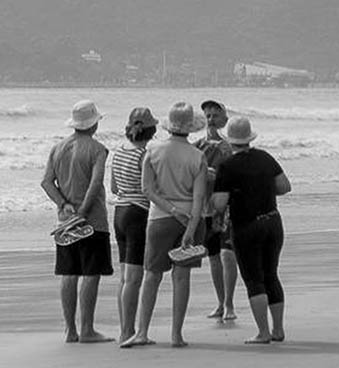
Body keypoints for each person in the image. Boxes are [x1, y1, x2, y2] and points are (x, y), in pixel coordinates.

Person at [121, 102, 207, 349]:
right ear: (190, 127)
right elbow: (200, 197)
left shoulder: (153, 150)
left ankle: (142, 331)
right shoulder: (197, 156)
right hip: (190, 218)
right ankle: (176, 335)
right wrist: (190, 226)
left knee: (152, 275)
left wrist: (171, 210)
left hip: (159, 218)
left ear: (169, 125)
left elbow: (147, 189)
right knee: (182, 278)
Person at [211, 116, 292, 344]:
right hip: (273, 221)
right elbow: (285, 186)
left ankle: (263, 332)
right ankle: (278, 329)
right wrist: (261, 189)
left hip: (246, 225)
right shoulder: (265, 157)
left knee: (254, 279)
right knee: (271, 275)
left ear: (228, 141)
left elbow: (219, 203)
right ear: (249, 138)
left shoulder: (227, 166)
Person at [41, 99, 113, 344]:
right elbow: (96, 183)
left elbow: (47, 182)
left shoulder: (58, 148)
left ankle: (70, 330)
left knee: (69, 273)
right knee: (91, 273)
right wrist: (83, 210)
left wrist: (63, 204)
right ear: (93, 124)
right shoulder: (98, 149)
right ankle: (88, 330)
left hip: (65, 221)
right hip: (92, 220)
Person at [108, 107, 158, 342]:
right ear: (151, 131)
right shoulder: (145, 155)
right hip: (138, 214)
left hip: (119, 212)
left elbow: (114, 188)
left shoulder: (118, 152)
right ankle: (128, 331)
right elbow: (149, 189)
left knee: (125, 276)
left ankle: (124, 328)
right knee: (134, 277)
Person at [196, 99, 239, 322]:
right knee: (213, 257)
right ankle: (220, 303)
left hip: (227, 208)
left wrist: (218, 175)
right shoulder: (197, 146)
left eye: (215, 115)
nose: (211, 119)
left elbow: (238, 177)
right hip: (206, 209)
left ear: (225, 119)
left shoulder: (229, 147)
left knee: (227, 255)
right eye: (208, 116)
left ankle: (230, 303)